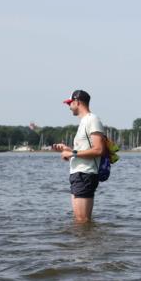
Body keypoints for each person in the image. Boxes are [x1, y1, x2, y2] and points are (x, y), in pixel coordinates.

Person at [52, 89, 106, 223]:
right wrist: (68, 151)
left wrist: (72, 153)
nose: (69, 107)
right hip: (79, 175)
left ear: (77, 102)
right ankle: (83, 243)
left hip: (85, 174)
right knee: (79, 220)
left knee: (82, 220)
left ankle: (87, 243)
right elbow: (83, 151)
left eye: (70, 103)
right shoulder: (84, 122)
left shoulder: (92, 119)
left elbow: (99, 150)